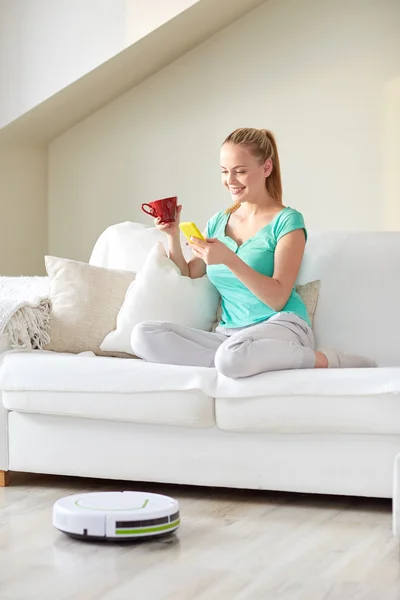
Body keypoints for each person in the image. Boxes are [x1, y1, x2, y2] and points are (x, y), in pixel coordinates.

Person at [131, 128, 375, 378]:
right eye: (224, 171)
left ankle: (324, 360)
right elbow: (190, 271)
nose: (230, 180)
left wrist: (229, 259)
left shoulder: (287, 221)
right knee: (143, 335)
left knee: (231, 355)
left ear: (266, 168)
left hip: (281, 325)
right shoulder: (218, 221)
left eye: (241, 171)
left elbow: (278, 298)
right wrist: (172, 235)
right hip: (230, 336)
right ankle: (237, 362)